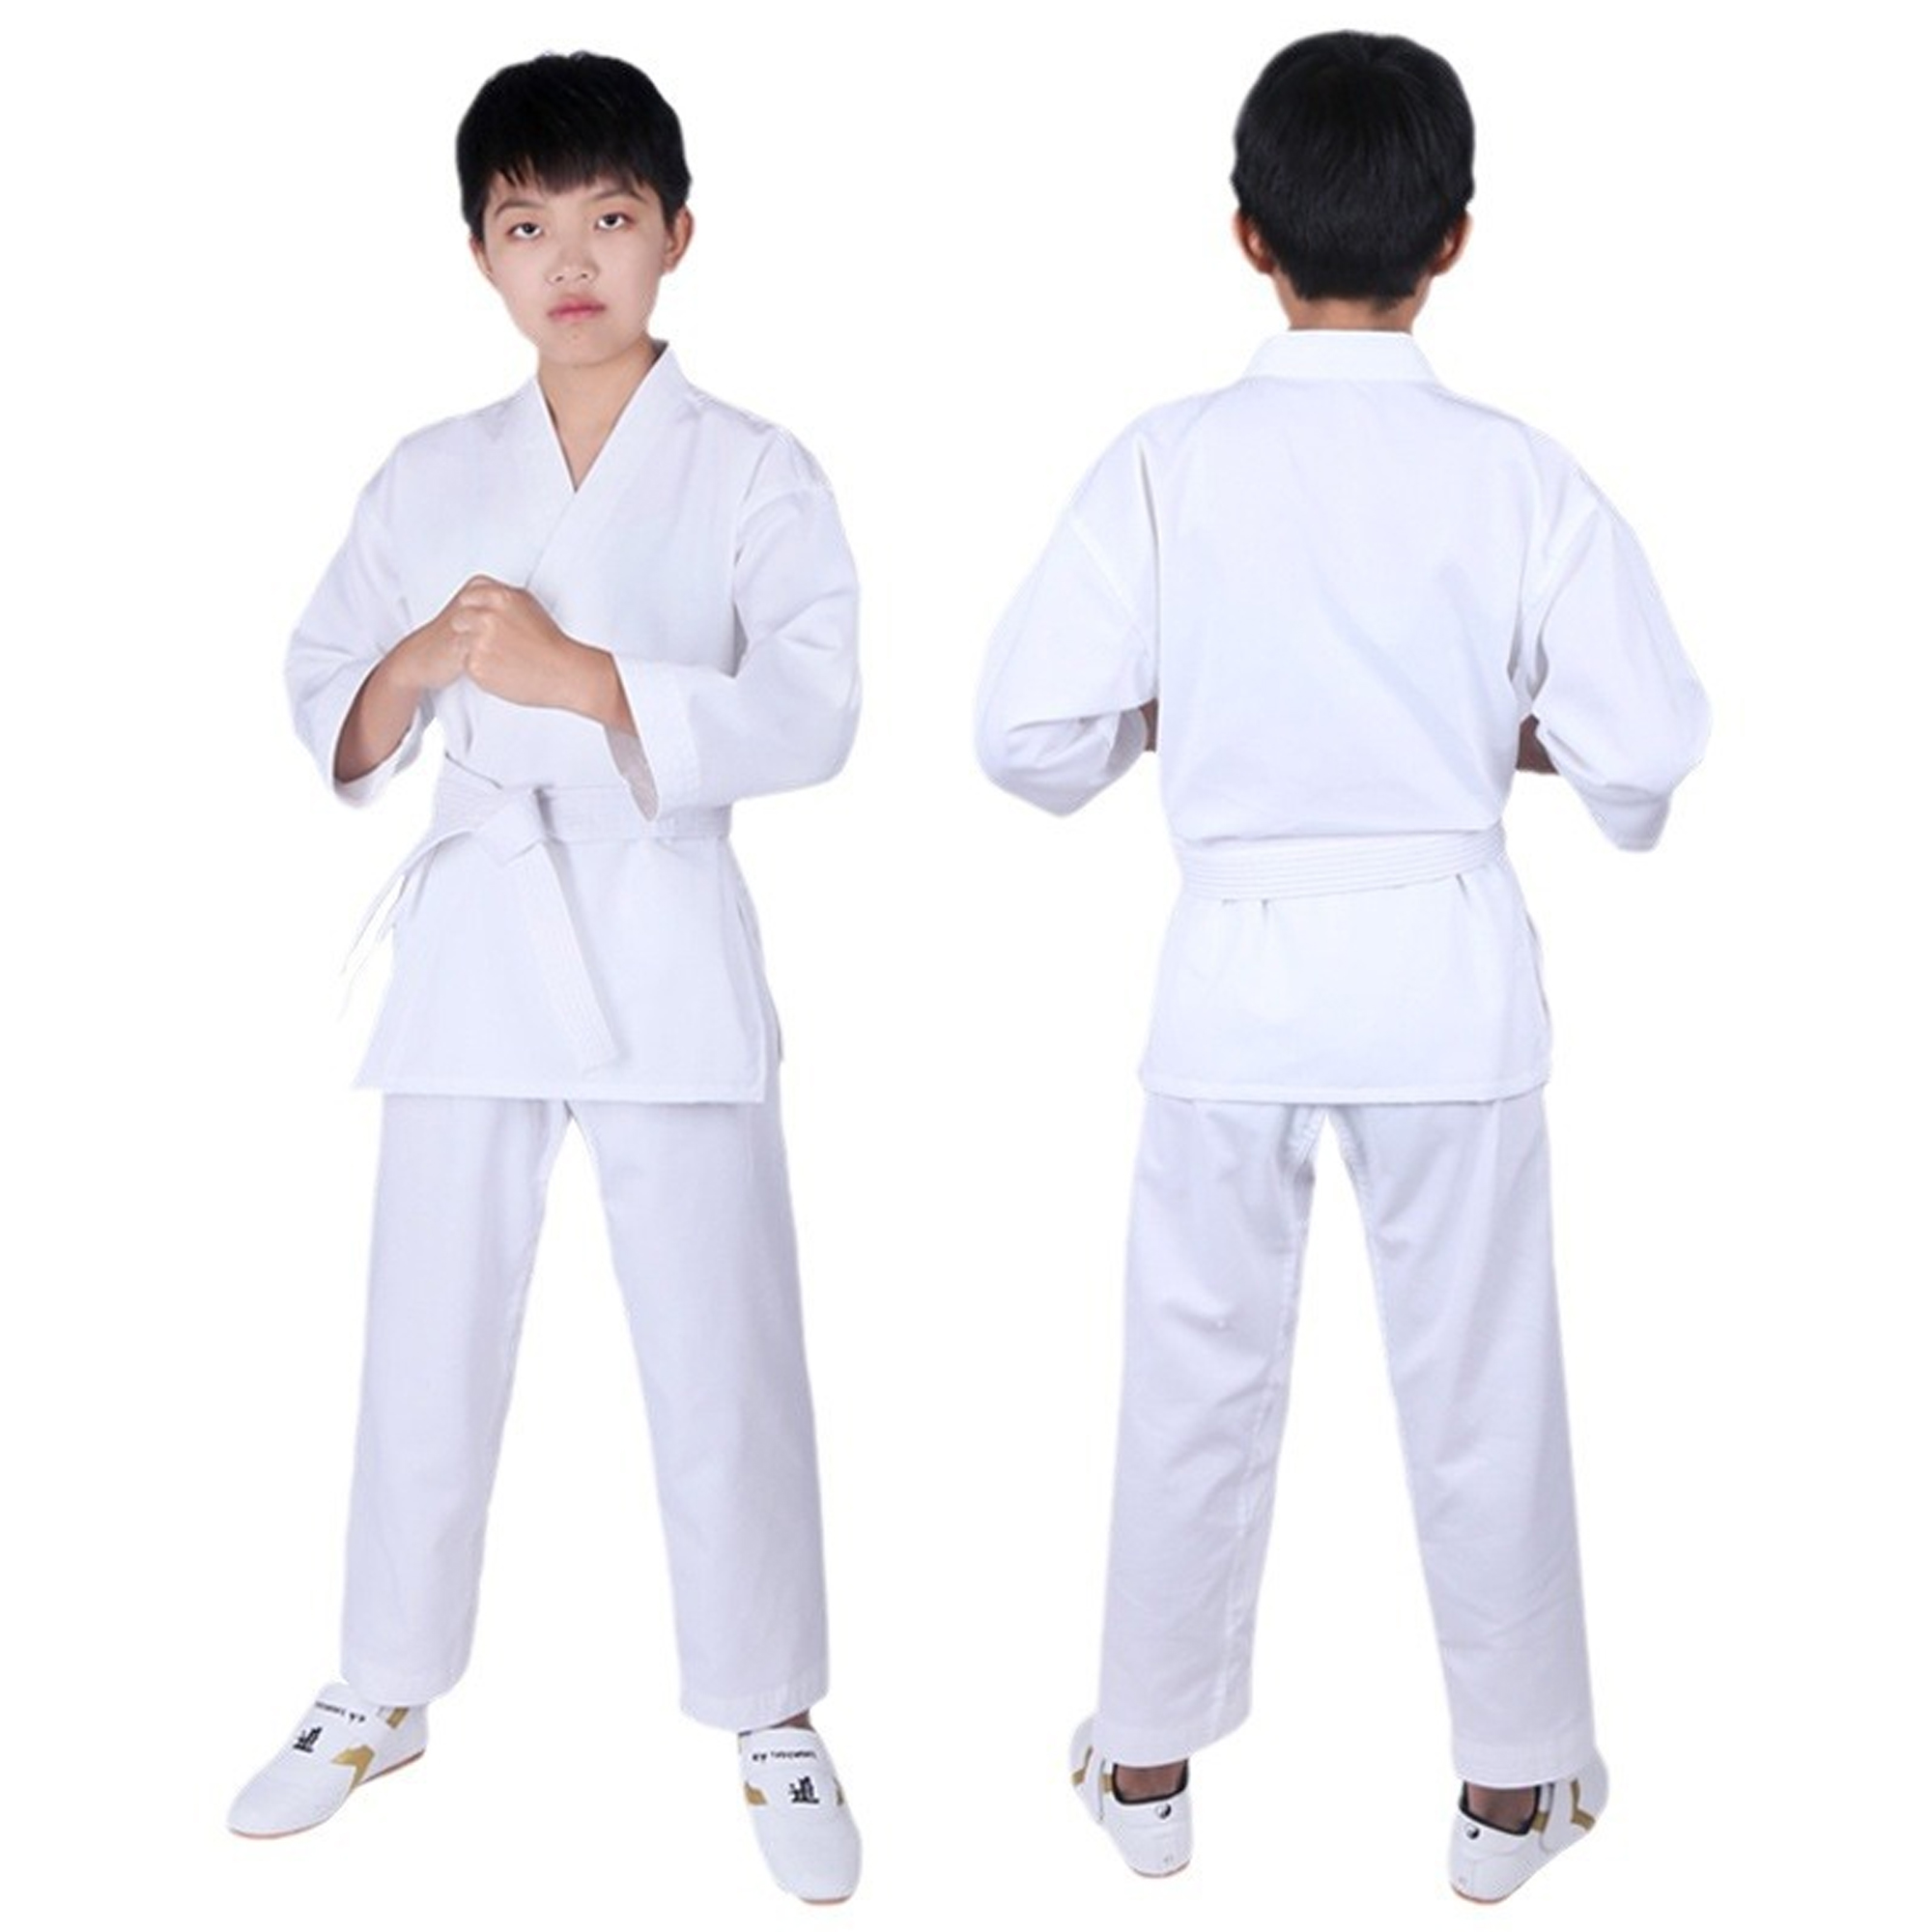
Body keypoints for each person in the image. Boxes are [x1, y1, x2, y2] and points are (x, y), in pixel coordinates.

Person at [977, 29, 1708, 1905]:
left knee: (1190, 1369)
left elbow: (1026, 738)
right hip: (1445, 977)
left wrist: (1193, 717)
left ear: (1247, 233)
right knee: (1484, 1385)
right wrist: (1485, 737)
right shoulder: (1516, 474)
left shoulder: (1167, 461)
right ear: (1453, 240)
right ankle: (1512, 1794)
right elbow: (1641, 752)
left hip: (1230, 978)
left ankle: (1144, 1762)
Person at [227, 51, 862, 1905]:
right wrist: (427, 658)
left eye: (608, 216)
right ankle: (382, 1683)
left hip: (661, 920)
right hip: (479, 936)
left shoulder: (755, 467)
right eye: (527, 223)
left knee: (721, 1339)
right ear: (480, 253)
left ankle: (770, 1707)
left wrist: (584, 681)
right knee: (424, 1330)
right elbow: (328, 703)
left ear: (677, 234)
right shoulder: (431, 473)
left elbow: (814, 707)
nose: (569, 258)